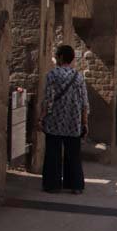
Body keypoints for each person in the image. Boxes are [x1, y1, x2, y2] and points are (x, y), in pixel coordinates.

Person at [38, 44, 89, 194]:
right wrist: (85, 122)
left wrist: (41, 119)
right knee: (73, 154)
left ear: (60, 57)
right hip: (74, 122)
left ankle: (52, 185)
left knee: (53, 153)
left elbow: (48, 100)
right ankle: (75, 185)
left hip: (54, 121)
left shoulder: (52, 75)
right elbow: (84, 102)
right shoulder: (78, 77)